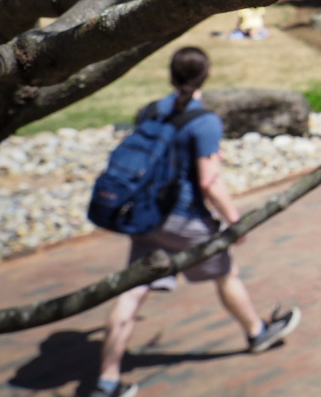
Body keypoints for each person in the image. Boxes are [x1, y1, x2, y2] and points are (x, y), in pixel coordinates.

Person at [92, 47, 301, 397]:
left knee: (131, 292)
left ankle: (107, 381)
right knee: (225, 273)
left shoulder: (151, 110)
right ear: (206, 75)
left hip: (144, 215)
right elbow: (209, 181)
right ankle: (256, 332)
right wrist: (235, 222)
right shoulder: (204, 121)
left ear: (171, 75)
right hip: (183, 218)